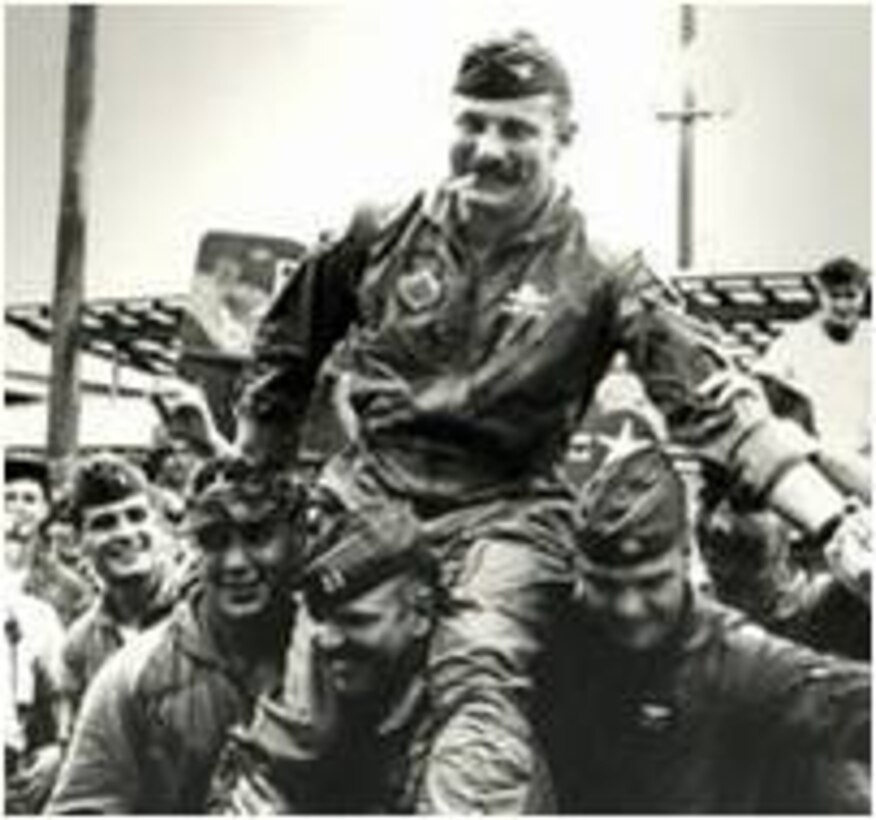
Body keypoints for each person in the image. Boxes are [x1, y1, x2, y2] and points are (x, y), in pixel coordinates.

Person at [233, 31, 867, 809]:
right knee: (304, 718)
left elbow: (717, 405)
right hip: (368, 496)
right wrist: (256, 473)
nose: (487, 150)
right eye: (472, 123)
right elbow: (285, 344)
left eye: (516, 130)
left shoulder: (604, 270)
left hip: (505, 510)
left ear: (563, 137)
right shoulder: (382, 228)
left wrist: (836, 524)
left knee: (480, 680)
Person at [544, 443, 870, 813]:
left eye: (747, 503)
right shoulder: (561, 632)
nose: (721, 523)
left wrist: (810, 464)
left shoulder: (754, 654)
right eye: (711, 499)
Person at [46, 456, 306, 814]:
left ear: (296, 539)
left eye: (256, 536)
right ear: (194, 547)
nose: (235, 563)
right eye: (215, 541)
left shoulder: (338, 656)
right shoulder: (132, 676)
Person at [206, 496, 461, 814]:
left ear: (421, 613)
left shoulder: (465, 729)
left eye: (356, 621)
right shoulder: (317, 687)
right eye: (321, 619)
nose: (328, 640)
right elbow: (243, 786)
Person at [58, 453, 181, 727]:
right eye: (105, 523)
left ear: (159, 524)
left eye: (136, 516)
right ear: (78, 541)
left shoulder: (201, 608)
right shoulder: (80, 646)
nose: (125, 533)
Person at [758, 256, 871, 495]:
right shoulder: (795, 339)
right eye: (834, 296)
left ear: (863, 296)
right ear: (820, 296)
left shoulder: (871, 339)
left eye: (850, 296)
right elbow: (762, 383)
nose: (842, 305)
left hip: (865, 463)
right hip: (815, 464)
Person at [4, 453, 93, 626]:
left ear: (44, 510)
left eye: (29, 499)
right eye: (9, 498)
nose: (18, 507)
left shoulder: (71, 589)